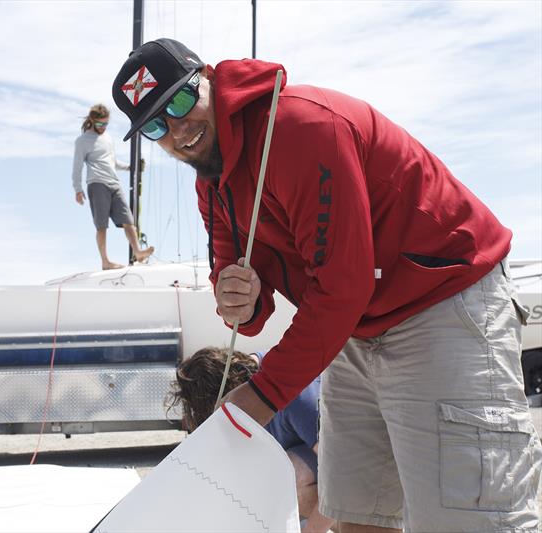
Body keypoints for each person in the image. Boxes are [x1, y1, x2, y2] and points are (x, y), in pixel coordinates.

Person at [112, 38, 541, 532]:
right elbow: (246, 309)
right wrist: (240, 304)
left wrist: (261, 395)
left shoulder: (300, 127)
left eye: (181, 103)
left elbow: (342, 285)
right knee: (357, 515)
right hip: (355, 329)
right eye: (157, 127)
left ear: (208, 77)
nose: (178, 131)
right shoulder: (213, 186)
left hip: (440, 304)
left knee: (468, 520)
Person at [167, 347, 335, 533]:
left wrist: (311, 531)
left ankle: (353, 524)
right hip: (324, 463)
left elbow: (343, 473)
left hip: (359, 469)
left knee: (287, 475)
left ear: (232, 394)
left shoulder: (297, 394)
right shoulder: (245, 391)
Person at [72, 103, 154, 270]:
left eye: (106, 124)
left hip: (114, 182)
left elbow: (112, 162)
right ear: (92, 121)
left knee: (128, 220)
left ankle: (138, 252)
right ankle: (105, 261)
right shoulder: (82, 141)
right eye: (100, 124)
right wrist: (78, 190)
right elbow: (77, 167)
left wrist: (131, 167)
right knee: (101, 225)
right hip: (97, 183)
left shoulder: (108, 138)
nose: (103, 127)